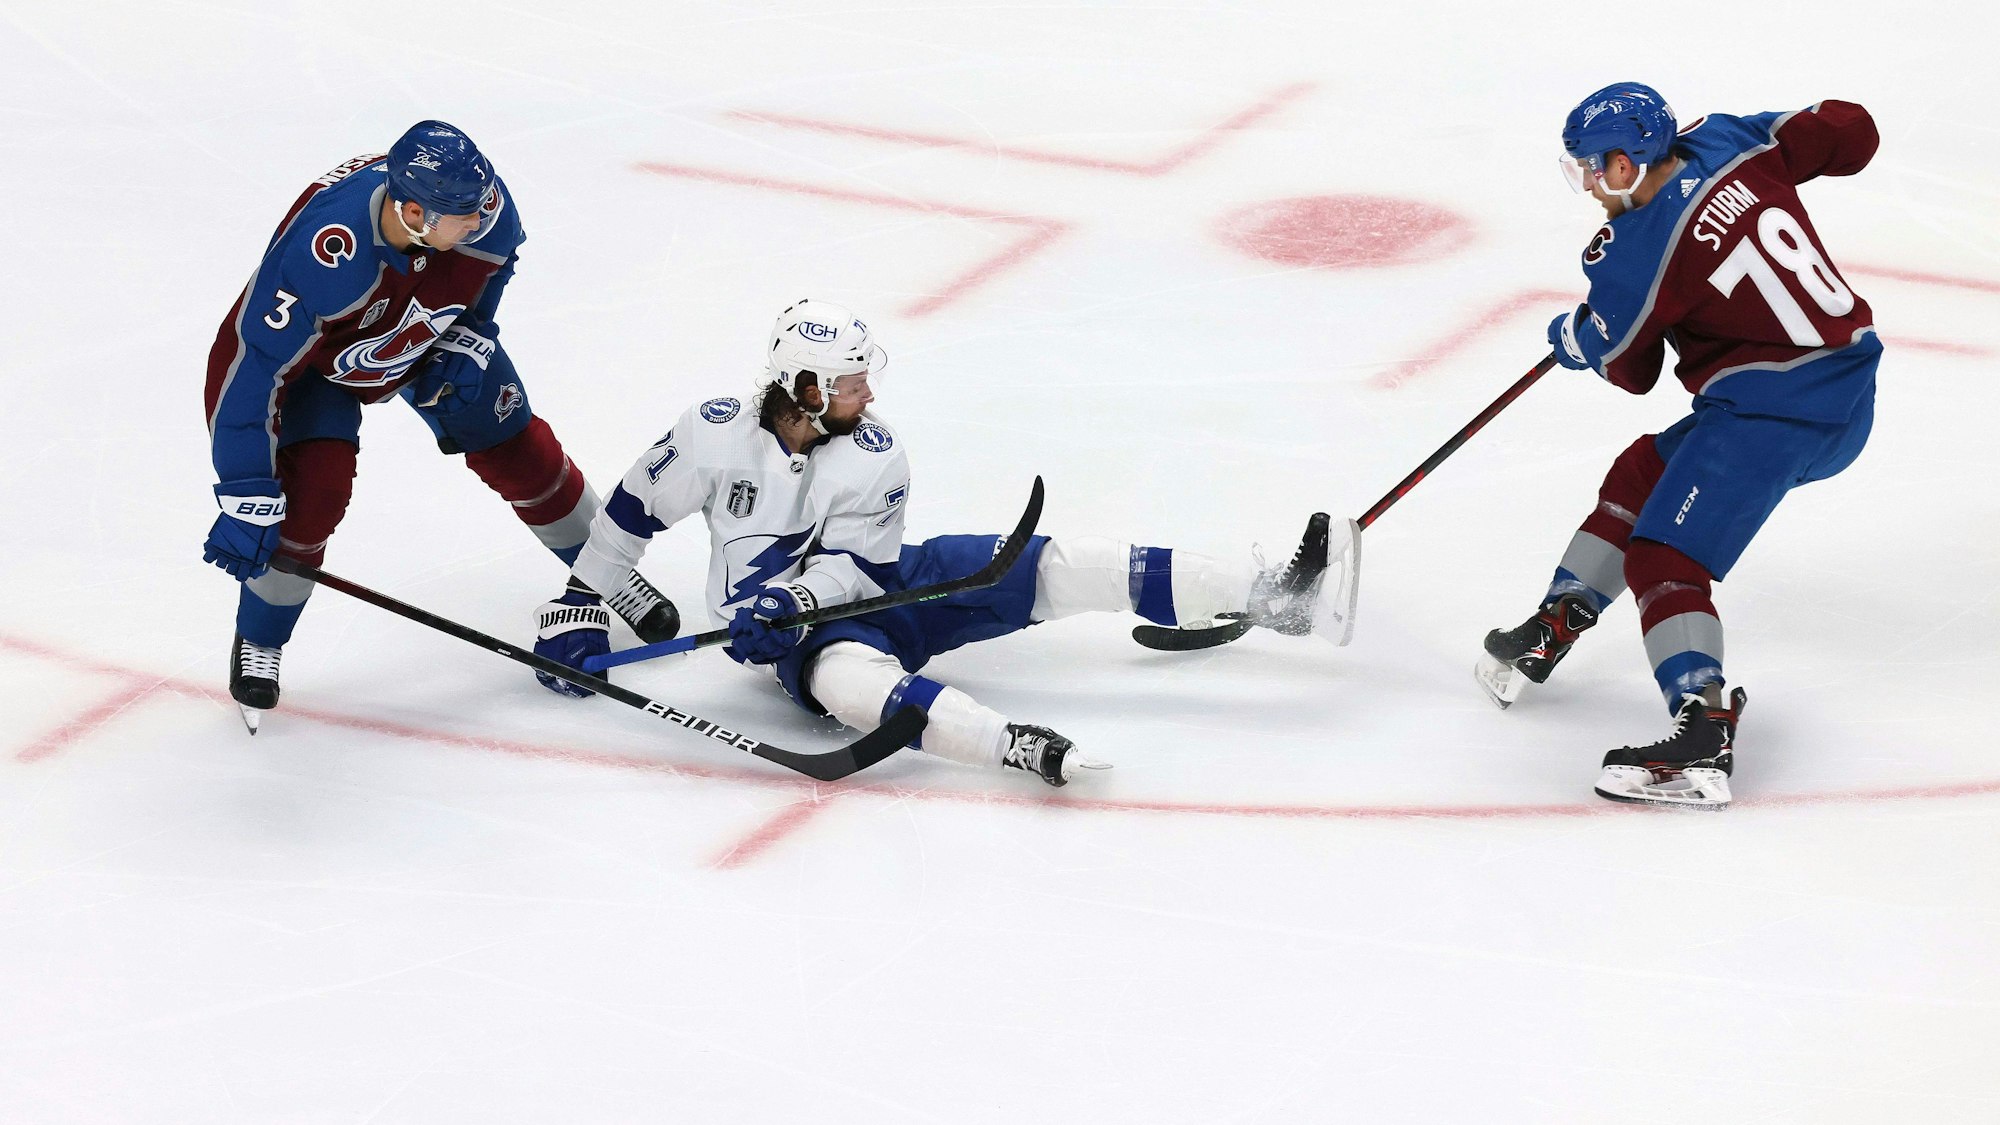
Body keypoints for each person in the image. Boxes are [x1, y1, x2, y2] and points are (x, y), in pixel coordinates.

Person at [529, 298, 1331, 786]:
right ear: (805, 387)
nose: (867, 390)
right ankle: (1011, 746)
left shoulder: (875, 455)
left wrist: (791, 596)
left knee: (1054, 564)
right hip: (799, 642)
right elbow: (632, 512)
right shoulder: (712, 434)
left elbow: (861, 568)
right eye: (850, 381)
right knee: (850, 687)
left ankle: (1267, 594)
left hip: (877, 587)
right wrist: (581, 600)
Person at [1476, 84, 1881, 809]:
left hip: (1777, 410)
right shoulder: (1727, 139)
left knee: (1664, 556)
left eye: (1594, 168)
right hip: (1837, 385)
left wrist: (1581, 337)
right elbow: (1851, 135)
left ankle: (1703, 730)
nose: (1590, 186)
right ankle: (1555, 622)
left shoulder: (1636, 253)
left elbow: (1631, 369)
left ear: (1627, 164)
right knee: (1642, 474)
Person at [203, 120, 677, 731]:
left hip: (421, 328)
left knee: (518, 447)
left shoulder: (483, 207)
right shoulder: (321, 259)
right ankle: (260, 638)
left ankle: (606, 574)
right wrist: (245, 489)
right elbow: (249, 371)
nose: (482, 218)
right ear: (413, 212)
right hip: (317, 368)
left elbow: (496, 263)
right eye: (463, 215)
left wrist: (472, 331)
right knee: (312, 498)